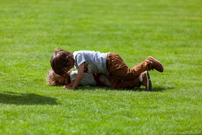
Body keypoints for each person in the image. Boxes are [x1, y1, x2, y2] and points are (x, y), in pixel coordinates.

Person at [50, 50, 164, 90]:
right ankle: (141, 78)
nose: (68, 70)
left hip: (110, 61)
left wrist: (73, 87)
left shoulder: (78, 56)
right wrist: (70, 84)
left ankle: (148, 63)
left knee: (128, 74)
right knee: (115, 85)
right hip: (108, 70)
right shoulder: (75, 63)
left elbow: (80, 75)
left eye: (66, 68)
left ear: (67, 61)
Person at [46, 69, 111, 87]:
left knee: (113, 84)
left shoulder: (73, 75)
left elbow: (72, 85)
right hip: (98, 79)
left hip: (99, 77)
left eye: (63, 81)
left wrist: (67, 86)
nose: (63, 83)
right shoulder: (72, 76)